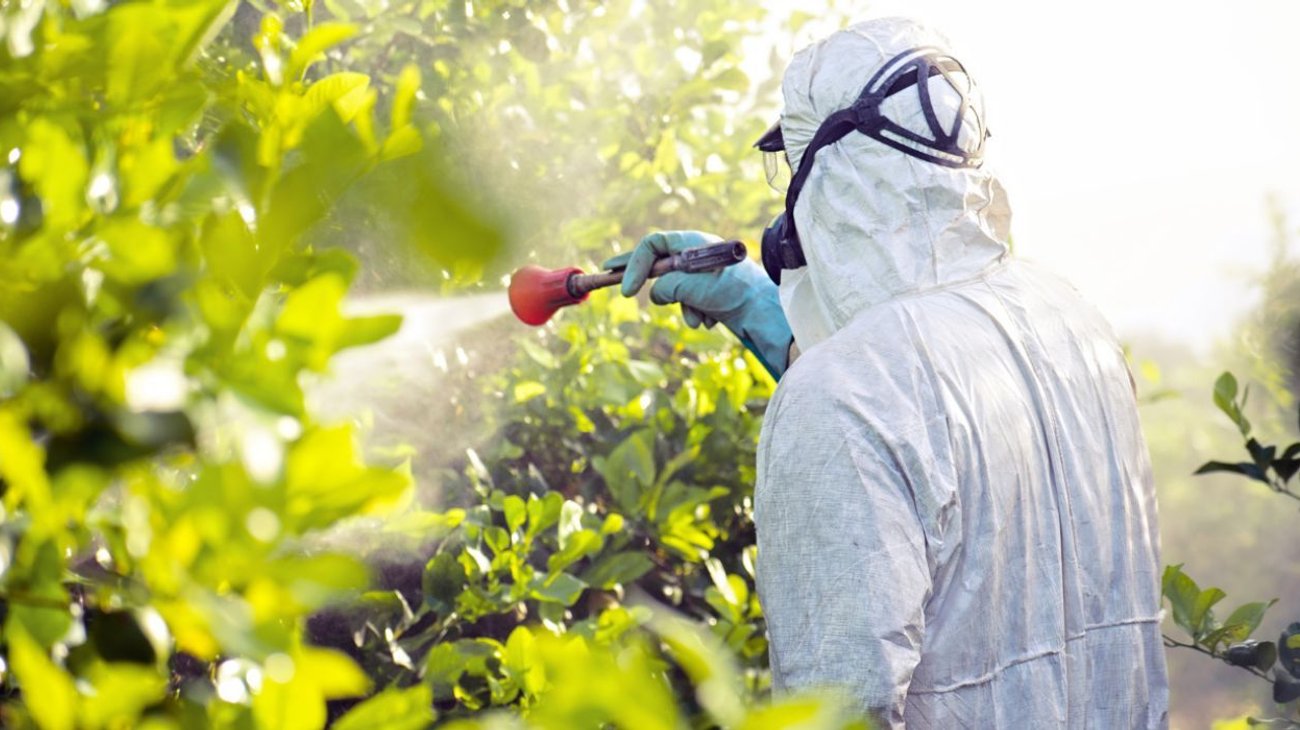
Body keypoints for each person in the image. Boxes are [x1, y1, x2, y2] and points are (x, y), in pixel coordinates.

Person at [611, 16, 1169, 729]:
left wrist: (806, 364)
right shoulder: (1071, 321)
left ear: (831, 175)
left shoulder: (840, 399)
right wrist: (754, 305)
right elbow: (927, 406)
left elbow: (839, 712)